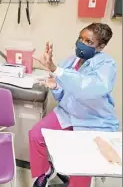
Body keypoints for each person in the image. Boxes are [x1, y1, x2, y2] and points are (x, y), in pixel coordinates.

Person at [29, 22, 119, 187]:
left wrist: (56, 70)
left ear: (101, 47)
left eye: (89, 42)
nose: (82, 44)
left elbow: (88, 88)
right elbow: (64, 93)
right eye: (81, 38)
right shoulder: (71, 61)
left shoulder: (107, 65)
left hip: (93, 120)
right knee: (36, 135)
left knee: (80, 166)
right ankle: (45, 172)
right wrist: (56, 86)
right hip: (67, 113)